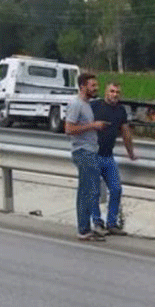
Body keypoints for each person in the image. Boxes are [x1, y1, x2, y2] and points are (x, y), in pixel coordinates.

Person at [63, 72, 108, 242]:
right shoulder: (76, 104)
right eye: (93, 86)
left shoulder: (87, 104)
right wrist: (92, 125)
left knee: (89, 190)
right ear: (83, 86)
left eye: (96, 85)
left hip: (90, 150)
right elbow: (68, 129)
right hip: (82, 151)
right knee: (88, 191)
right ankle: (83, 229)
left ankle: (86, 227)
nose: (96, 88)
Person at [89, 81, 137, 236]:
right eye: (112, 91)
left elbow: (125, 132)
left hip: (108, 156)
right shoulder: (94, 106)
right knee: (95, 191)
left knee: (116, 189)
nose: (115, 95)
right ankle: (97, 222)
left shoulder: (121, 110)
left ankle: (111, 223)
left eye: (117, 92)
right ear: (106, 92)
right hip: (93, 155)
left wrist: (131, 153)